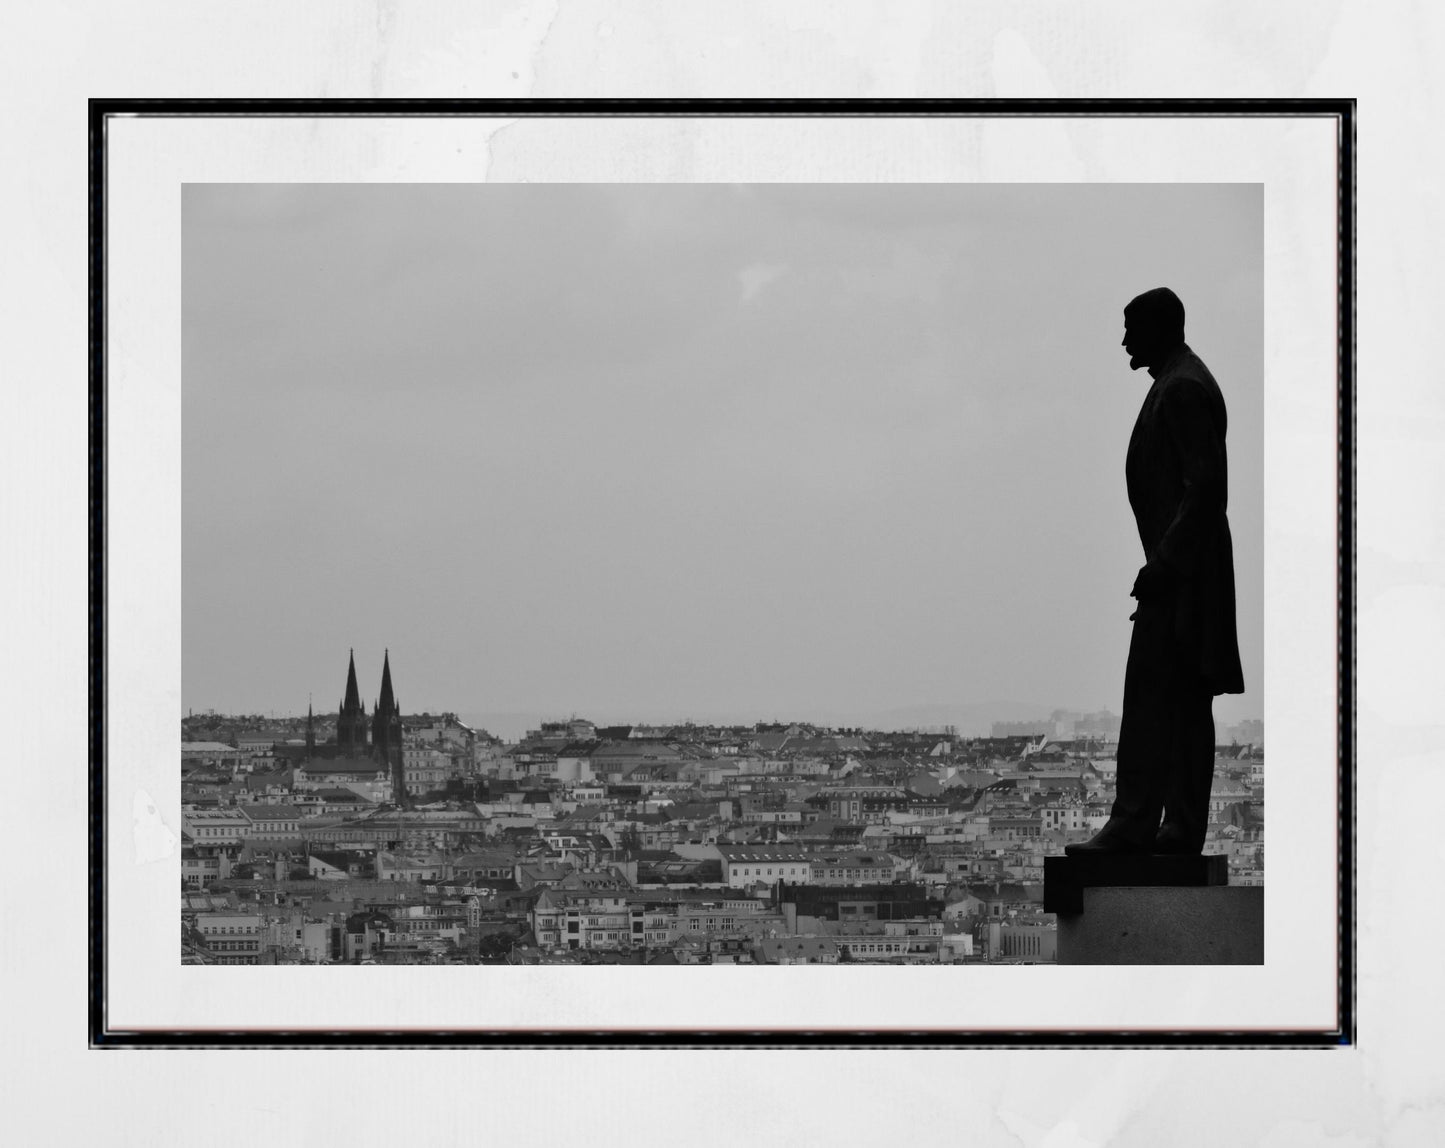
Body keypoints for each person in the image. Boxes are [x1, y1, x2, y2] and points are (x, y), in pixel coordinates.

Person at [1065, 287, 1245, 856]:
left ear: (1160, 329)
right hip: (1184, 571)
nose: (1123, 341)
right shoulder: (1178, 382)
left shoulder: (1183, 388)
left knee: (1153, 696)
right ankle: (1173, 826)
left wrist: (1163, 564)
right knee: (1184, 701)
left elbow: (1205, 490)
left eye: (1130, 329)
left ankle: (1139, 821)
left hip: (1181, 576)